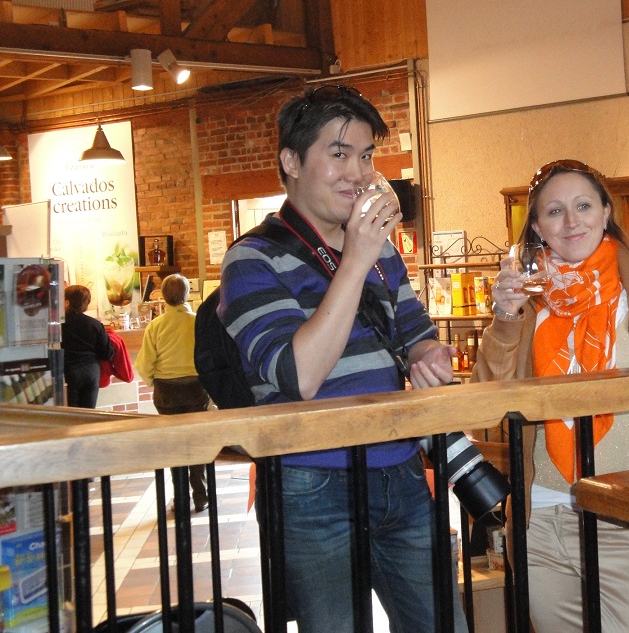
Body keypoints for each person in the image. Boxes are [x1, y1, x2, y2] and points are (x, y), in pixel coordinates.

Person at [218, 84, 468, 632]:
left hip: (400, 470)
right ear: (291, 161)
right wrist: (354, 259)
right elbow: (299, 375)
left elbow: (417, 334)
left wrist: (431, 356)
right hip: (311, 482)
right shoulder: (252, 259)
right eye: (338, 153)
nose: (357, 173)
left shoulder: (380, 253)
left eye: (366, 156)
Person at [471, 159, 629, 632]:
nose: (571, 221)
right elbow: (486, 404)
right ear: (536, 227)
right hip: (542, 524)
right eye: (554, 211)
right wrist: (504, 319)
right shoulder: (526, 303)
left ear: (605, 212)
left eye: (583, 206)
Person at [135, 274, 211, 513]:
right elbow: (209, 357)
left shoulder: (155, 326)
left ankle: (180, 498)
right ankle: (201, 495)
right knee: (196, 442)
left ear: (164, 297)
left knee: (174, 444)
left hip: (166, 391)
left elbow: (144, 364)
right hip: (195, 388)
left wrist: (154, 383)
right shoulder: (198, 322)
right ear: (187, 294)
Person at [62, 285, 115, 409]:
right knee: (89, 412)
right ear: (86, 303)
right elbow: (107, 354)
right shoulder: (95, 324)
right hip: (91, 371)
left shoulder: (59, 324)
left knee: (71, 413)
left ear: (66, 301)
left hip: (68, 372)